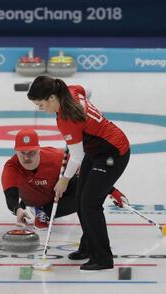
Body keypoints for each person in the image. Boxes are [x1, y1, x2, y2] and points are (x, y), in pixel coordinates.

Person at [27, 76, 130, 271]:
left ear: (51, 98)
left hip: (113, 153)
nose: (40, 110)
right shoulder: (70, 90)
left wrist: (64, 180)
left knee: (90, 203)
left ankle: (103, 258)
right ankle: (88, 247)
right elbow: (87, 91)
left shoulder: (67, 118)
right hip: (96, 150)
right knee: (81, 199)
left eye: (40, 105)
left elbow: (76, 156)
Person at [2, 128, 127, 230]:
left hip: (56, 190)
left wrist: (111, 191)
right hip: (33, 199)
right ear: (15, 151)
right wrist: (17, 210)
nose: (26, 158)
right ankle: (39, 209)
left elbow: (87, 172)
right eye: (22, 153)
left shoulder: (56, 158)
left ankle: (45, 211)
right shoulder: (11, 167)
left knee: (84, 195)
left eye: (31, 153)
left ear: (38, 150)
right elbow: (10, 196)